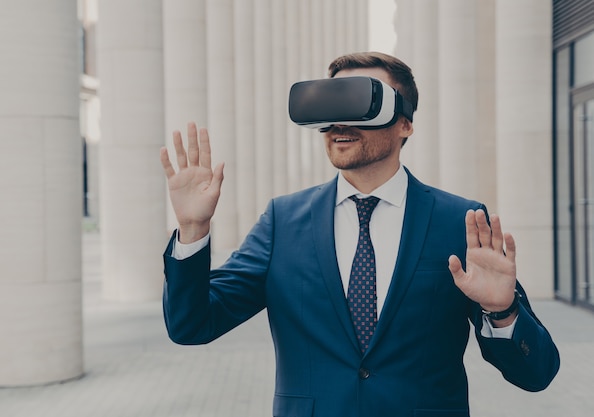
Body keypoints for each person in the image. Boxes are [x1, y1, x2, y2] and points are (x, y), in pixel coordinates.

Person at [159, 51, 559, 417]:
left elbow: (536, 373)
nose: (340, 123)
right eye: (331, 105)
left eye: (361, 104)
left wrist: (501, 312)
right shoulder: (283, 220)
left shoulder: (460, 221)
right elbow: (192, 326)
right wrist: (193, 231)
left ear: (405, 123)